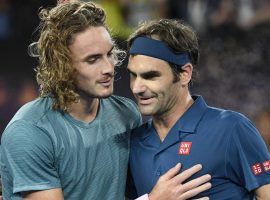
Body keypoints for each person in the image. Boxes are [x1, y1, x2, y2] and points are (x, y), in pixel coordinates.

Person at [0, 1, 211, 200]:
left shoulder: (126, 113)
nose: (109, 68)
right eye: (93, 60)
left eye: (109, 54)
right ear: (61, 67)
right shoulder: (29, 131)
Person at [126, 19, 270, 199]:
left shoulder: (232, 129)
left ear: (184, 74)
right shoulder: (133, 142)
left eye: (151, 76)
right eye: (133, 75)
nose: (137, 87)